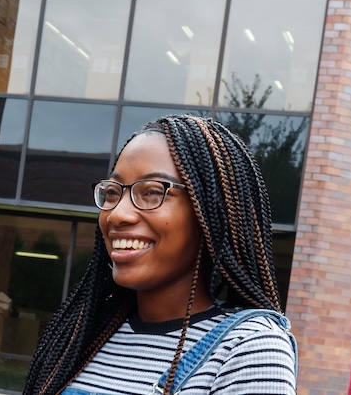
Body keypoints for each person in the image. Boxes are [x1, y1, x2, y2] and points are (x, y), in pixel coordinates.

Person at [23, 114, 297, 395]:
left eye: (152, 192)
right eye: (113, 192)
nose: (117, 214)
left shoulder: (249, 349)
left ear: (210, 213)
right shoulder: (82, 336)